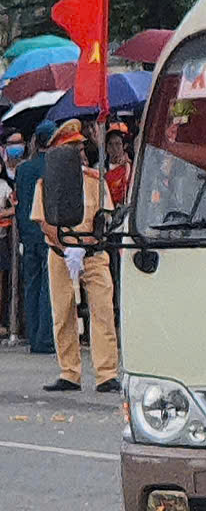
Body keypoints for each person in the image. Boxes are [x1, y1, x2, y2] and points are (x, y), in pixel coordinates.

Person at [30, 120, 120, 393]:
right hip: (61, 253)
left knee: (102, 310)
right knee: (63, 312)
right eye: (72, 149)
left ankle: (106, 373)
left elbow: (104, 217)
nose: (79, 154)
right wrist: (68, 248)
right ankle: (69, 372)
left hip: (92, 253)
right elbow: (44, 222)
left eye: (80, 148)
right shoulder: (46, 184)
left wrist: (84, 245)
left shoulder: (95, 180)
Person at [15, 121, 55, 355]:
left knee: (31, 285)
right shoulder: (52, 166)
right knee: (47, 286)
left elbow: (20, 202)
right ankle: (45, 337)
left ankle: (33, 335)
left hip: (27, 233)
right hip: (47, 231)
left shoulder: (23, 169)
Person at [0, 130, 24, 337]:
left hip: (15, 236)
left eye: (20, 143)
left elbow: (17, 205)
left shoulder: (24, 171)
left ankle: (15, 322)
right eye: (12, 143)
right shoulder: (3, 179)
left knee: (13, 279)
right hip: (5, 237)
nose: (17, 147)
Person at [104, 122, 132, 208]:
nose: (114, 148)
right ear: (106, 147)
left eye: (118, 144)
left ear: (124, 146)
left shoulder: (129, 167)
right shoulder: (100, 168)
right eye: (110, 144)